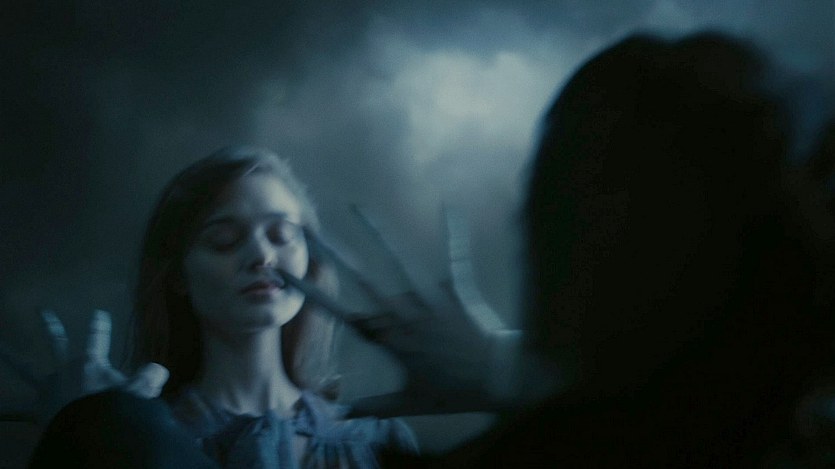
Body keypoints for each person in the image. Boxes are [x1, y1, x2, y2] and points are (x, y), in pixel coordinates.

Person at [29, 146, 418, 468]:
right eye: (224, 240)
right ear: (178, 275)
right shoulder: (131, 436)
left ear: (310, 259)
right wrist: (87, 434)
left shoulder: (378, 441)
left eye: (281, 234)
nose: (262, 256)